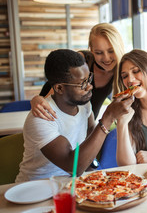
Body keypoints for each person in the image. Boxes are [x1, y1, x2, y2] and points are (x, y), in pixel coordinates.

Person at [16, 49, 131, 182]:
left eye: (89, 79)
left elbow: (88, 141)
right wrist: (108, 117)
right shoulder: (41, 117)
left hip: (72, 185)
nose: (89, 87)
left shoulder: (84, 105)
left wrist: (94, 174)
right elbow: (73, 166)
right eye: (82, 83)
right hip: (36, 189)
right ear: (59, 88)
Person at [30, 23, 147, 121]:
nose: (107, 58)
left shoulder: (124, 69)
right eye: (99, 53)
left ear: (119, 46)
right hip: (61, 121)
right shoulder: (82, 62)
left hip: (90, 126)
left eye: (111, 51)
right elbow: (54, 90)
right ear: (91, 50)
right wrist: (37, 99)